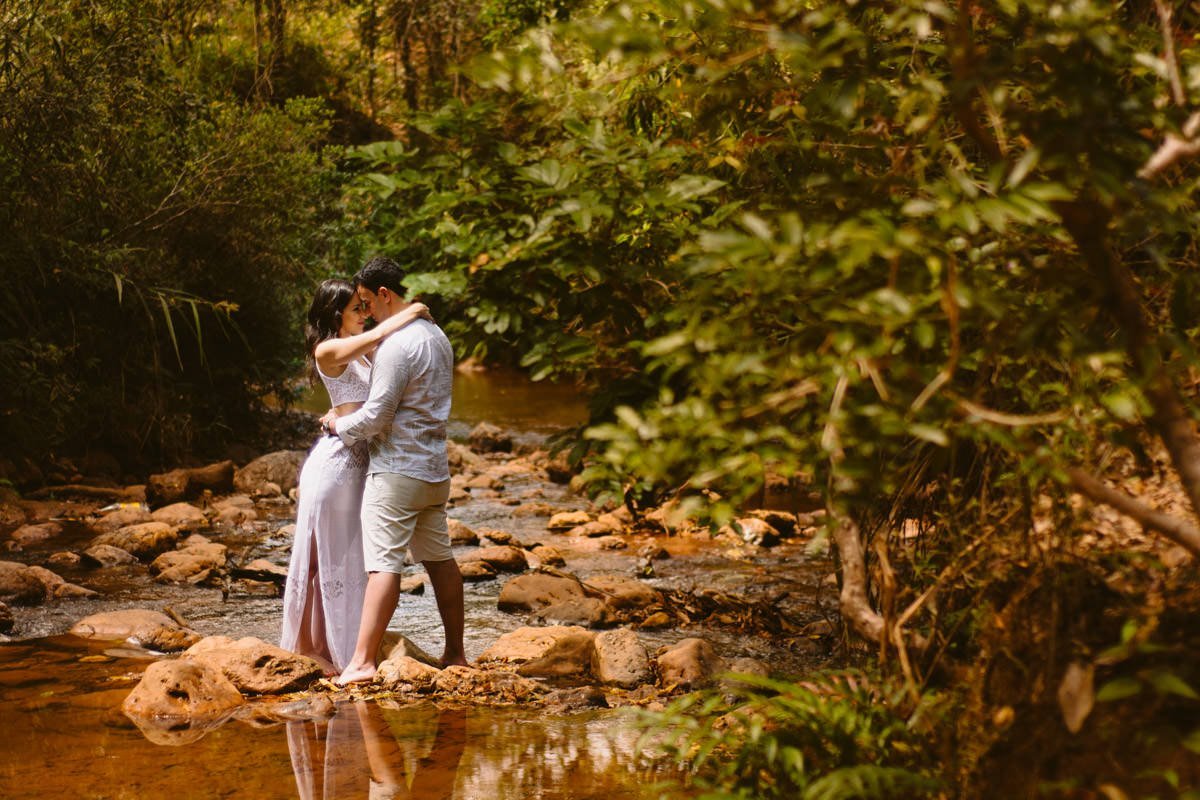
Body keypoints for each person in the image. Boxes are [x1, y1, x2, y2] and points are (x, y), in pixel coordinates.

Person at [323, 255, 466, 684]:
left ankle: (363, 662)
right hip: (434, 471)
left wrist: (336, 425)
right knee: (441, 560)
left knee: (383, 566)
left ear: (385, 294)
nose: (367, 313)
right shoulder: (438, 337)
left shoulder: (397, 346)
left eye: (367, 302)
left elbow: (376, 418)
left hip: (396, 472)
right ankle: (456, 653)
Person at [280, 278, 430, 674]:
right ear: (336, 315)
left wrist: (339, 414)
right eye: (356, 309)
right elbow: (380, 334)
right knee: (317, 559)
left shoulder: (363, 353)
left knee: (348, 556)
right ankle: (309, 646)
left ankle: (338, 642)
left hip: (360, 463)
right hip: (334, 467)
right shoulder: (327, 348)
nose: (365, 314)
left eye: (365, 308)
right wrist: (409, 312)